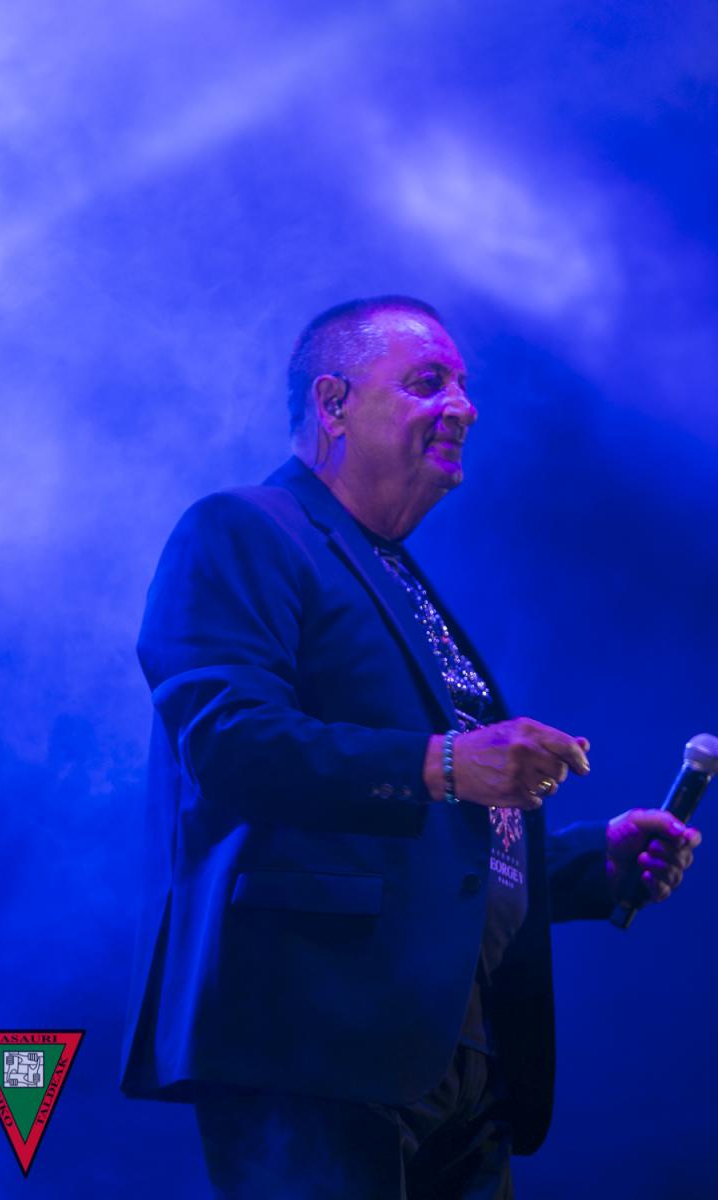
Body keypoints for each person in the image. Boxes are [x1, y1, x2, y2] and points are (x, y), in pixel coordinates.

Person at [120, 296, 701, 1198]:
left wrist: (592, 863)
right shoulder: (245, 527)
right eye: (429, 382)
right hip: (315, 1034)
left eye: (464, 386)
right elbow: (229, 743)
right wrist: (446, 763)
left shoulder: (395, 572)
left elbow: (441, 840)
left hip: (459, 1051)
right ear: (333, 402)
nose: (464, 406)